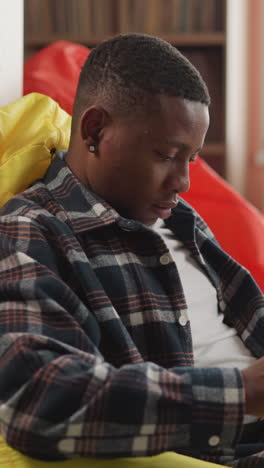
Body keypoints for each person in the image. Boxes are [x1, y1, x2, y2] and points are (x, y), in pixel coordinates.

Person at [0, 33, 264, 467]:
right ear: (94, 130)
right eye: (166, 154)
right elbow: (38, 400)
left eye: (191, 159)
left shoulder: (178, 217)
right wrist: (245, 393)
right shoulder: (33, 231)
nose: (184, 182)